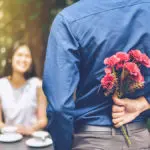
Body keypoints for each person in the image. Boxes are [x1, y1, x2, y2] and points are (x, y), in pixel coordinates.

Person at [43, 0, 150, 150]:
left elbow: (59, 107)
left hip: (90, 142)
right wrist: (144, 103)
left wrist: (63, 146)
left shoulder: (69, 19)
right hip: (140, 141)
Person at [0, 42, 48, 135]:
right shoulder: (1, 85)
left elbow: (43, 120)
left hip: (33, 140)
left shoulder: (37, 85)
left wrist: (30, 129)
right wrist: (12, 130)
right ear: (10, 58)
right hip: (9, 140)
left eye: (27, 56)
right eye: (19, 55)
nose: (23, 59)